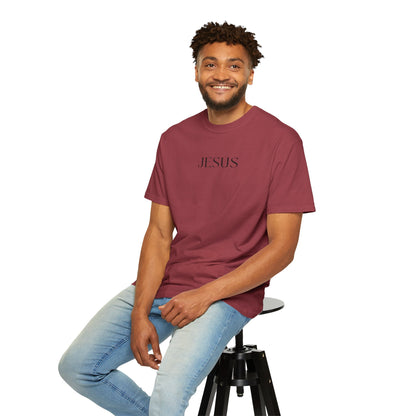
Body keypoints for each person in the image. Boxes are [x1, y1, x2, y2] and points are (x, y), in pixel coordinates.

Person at [58, 21, 315, 416]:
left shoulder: (281, 140)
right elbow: (159, 234)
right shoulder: (174, 139)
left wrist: (205, 296)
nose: (221, 75)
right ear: (196, 71)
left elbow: (283, 249)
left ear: (250, 74)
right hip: (169, 283)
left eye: (234, 65)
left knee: (168, 396)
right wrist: (140, 312)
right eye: (210, 64)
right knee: (79, 368)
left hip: (229, 291)